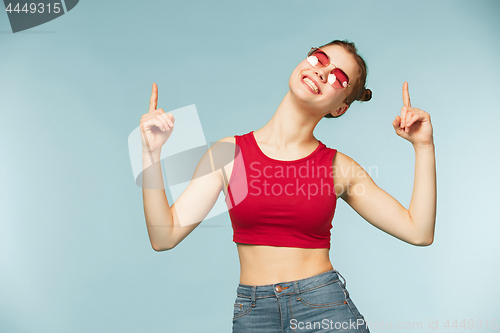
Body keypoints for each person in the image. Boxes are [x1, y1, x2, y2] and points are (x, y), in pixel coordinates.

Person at [138, 40, 436, 333]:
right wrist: (151, 154)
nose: (323, 72)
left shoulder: (339, 168)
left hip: (325, 308)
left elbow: (418, 231)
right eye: (320, 59)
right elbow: (164, 237)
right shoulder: (228, 154)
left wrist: (424, 146)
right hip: (253, 315)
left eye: (339, 77)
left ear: (341, 108)